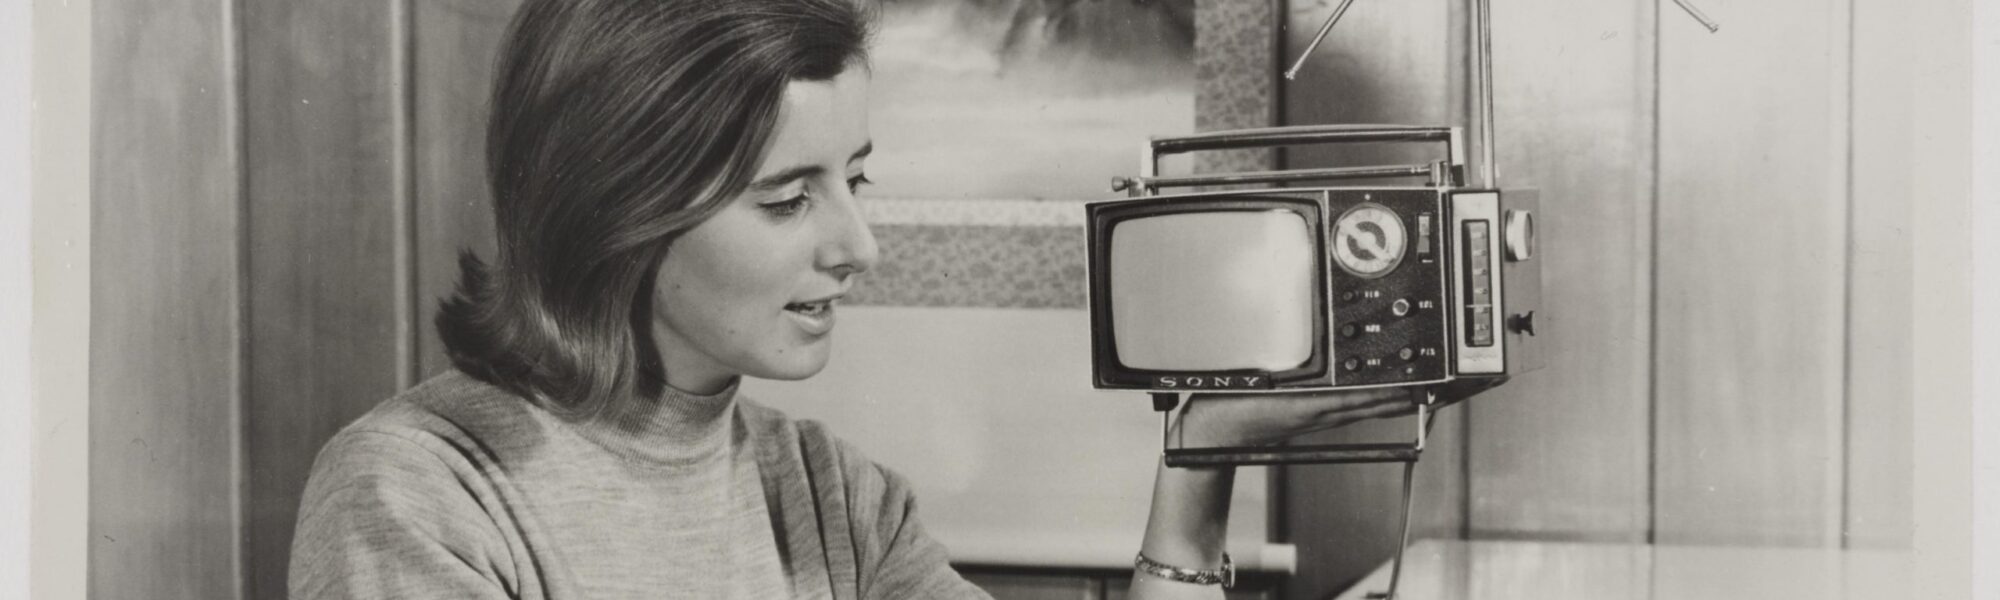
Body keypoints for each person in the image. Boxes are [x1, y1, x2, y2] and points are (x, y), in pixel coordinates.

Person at [287, 0, 1466, 598]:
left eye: (856, 179)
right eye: (786, 199)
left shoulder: (832, 499)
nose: (859, 245)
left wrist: (1196, 470)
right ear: (617, 212)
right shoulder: (419, 492)